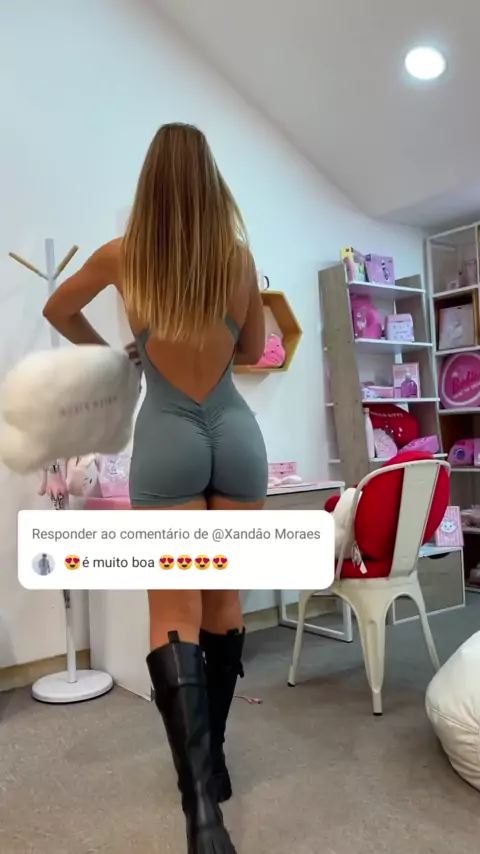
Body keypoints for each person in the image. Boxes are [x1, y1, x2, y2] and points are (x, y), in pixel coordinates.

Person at [43, 123, 268, 854]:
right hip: (235, 433)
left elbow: (57, 309)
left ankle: (201, 811)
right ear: (211, 183)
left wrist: (119, 358)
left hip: (168, 433)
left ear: (152, 184)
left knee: (173, 610)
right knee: (224, 602)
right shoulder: (237, 258)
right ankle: (217, 760)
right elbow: (253, 349)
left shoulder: (123, 256)